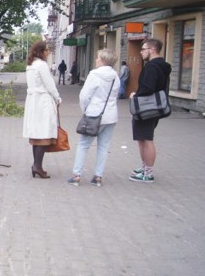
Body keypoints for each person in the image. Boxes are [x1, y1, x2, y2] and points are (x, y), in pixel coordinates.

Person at [67, 49, 120, 187]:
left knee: (83, 144)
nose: (96, 60)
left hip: (94, 113)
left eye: (97, 58)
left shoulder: (94, 75)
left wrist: (85, 110)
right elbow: (116, 95)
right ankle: (98, 177)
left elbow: (84, 96)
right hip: (111, 115)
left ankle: (76, 175)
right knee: (103, 146)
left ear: (102, 60)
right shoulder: (115, 76)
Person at [129, 38, 172, 183]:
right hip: (154, 107)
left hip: (146, 107)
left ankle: (148, 173)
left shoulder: (152, 67)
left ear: (152, 50)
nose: (141, 52)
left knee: (146, 139)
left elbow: (148, 88)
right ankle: (144, 167)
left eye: (143, 49)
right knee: (143, 138)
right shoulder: (162, 66)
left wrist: (135, 95)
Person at [22, 41, 62, 178]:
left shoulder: (31, 65)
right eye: (46, 50)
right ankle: (37, 166)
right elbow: (50, 84)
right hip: (43, 101)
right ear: (41, 51)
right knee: (43, 134)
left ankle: (36, 165)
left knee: (36, 134)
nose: (48, 52)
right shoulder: (42, 65)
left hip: (33, 101)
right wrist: (57, 98)